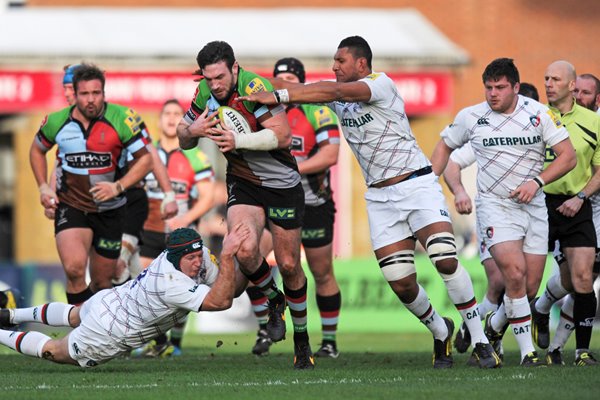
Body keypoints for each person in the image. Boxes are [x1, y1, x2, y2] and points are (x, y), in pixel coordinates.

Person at [241, 36, 501, 369]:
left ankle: (479, 340)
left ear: (361, 64)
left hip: (416, 184)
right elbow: (296, 85)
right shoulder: (337, 96)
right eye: (333, 62)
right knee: (402, 282)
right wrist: (241, 77)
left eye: (340, 61)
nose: (334, 67)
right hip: (379, 197)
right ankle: (440, 329)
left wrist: (276, 95)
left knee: (444, 259)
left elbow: (326, 91)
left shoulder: (380, 84)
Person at [176, 41, 313, 369]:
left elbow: (282, 135)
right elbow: (182, 135)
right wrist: (193, 130)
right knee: (244, 248)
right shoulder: (204, 94)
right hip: (244, 182)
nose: (216, 85)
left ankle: (303, 339)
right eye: (209, 79)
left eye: (221, 77)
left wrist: (240, 141)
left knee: (290, 265)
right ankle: (273, 297)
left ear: (234, 68)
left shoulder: (255, 88)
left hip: (281, 184)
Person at [431, 58, 576, 366]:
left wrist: (537, 182)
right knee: (513, 274)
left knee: (529, 287)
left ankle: (494, 326)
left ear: (515, 87)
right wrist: (449, 188)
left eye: (499, 87)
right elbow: (445, 149)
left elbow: (568, 157)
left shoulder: (540, 114)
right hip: (495, 207)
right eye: (488, 87)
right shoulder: (471, 117)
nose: (492, 94)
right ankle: (528, 354)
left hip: (534, 207)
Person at [0, 225, 249, 367]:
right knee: (54, 350)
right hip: (110, 331)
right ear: (175, 259)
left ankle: (9, 314)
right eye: (190, 259)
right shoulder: (170, 283)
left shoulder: (188, 253)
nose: (197, 263)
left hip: (110, 300)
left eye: (198, 256)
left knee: (74, 314)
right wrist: (228, 257)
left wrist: (249, 259)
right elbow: (221, 301)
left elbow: (230, 287)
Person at [29, 63, 153, 305]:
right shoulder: (56, 122)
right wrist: (43, 186)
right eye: (84, 94)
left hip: (110, 210)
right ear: (74, 95)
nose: (91, 100)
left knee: (102, 282)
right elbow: (37, 151)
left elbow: (146, 159)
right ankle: (81, 336)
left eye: (96, 93)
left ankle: (100, 330)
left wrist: (117, 187)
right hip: (72, 206)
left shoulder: (122, 119)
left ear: (104, 93)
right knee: (74, 270)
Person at [248, 58, 342, 358]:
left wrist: (294, 168)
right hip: (273, 201)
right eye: (278, 79)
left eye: (290, 78)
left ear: (301, 83)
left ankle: (329, 341)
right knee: (251, 258)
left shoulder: (318, 111)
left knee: (321, 271)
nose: (283, 84)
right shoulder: (262, 112)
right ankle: (266, 326)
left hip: (313, 203)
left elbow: (330, 155)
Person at [444, 83, 540, 357]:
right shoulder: (492, 133)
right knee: (500, 281)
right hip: (495, 216)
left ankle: (491, 329)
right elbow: (453, 162)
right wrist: (459, 191)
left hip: (534, 216)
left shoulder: (544, 134)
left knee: (526, 287)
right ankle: (481, 329)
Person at [133, 99, 216, 357]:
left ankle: (175, 343)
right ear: (158, 121)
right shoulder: (147, 155)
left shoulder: (195, 155)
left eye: (176, 114)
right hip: (149, 232)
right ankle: (158, 342)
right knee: (146, 288)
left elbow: (208, 196)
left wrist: (186, 218)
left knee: (182, 290)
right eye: (166, 114)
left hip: (182, 237)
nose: (171, 118)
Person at [531, 68, 600, 366]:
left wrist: (580, 197)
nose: (548, 84)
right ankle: (495, 331)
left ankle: (579, 351)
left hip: (578, 205)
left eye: (554, 79)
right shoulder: (534, 116)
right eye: (546, 78)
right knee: (519, 279)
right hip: (538, 204)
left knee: (583, 278)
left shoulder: (593, 123)